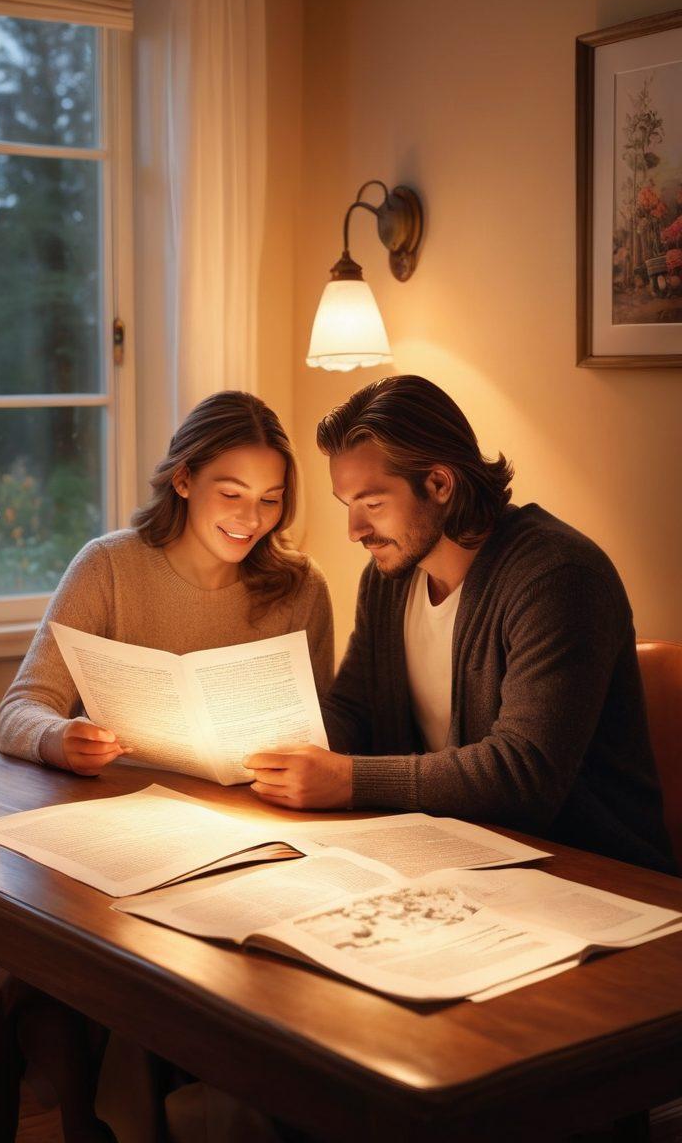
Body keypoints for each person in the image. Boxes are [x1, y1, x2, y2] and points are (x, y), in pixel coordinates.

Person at [0, 390, 334, 1143]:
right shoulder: (111, 566)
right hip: (124, 844)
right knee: (102, 973)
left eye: (271, 499)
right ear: (183, 479)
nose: (251, 518)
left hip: (251, 842)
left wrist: (306, 765)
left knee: (192, 982)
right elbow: (19, 709)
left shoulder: (300, 589)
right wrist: (64, 738)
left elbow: (325, 728)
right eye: (231, 493)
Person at [245, 374, 674, 876]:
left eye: (373, 504)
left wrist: (348, 780)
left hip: (591, 873)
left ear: (439, 484)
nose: (355, 531)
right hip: (452, 856)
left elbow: (523, 775)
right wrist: (264, 736)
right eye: (349, 506)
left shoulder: (558, 577)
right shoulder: (387, 581)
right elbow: (355, 711)